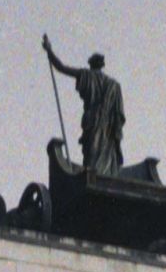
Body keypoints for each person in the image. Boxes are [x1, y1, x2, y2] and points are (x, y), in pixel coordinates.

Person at [43, 36, 126, 176]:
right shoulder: (114, 85)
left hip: (92, 120)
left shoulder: (86, 75)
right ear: (102, 65)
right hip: (108, 127)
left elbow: (61, 67)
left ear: (91, 64)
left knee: (92, 154)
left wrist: (49, 50)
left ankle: (92, 177)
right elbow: (119, 114)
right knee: (102, 154)